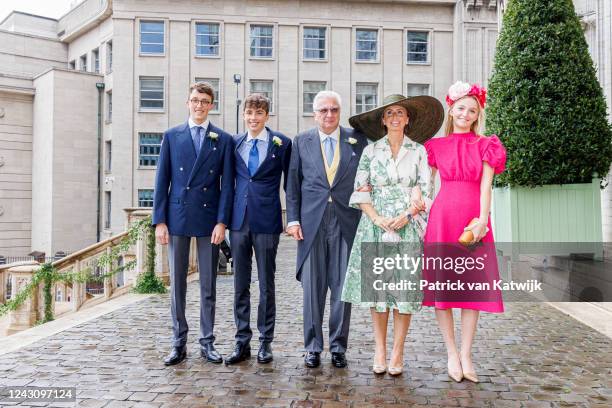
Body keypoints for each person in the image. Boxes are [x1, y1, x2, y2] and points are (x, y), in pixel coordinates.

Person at [342, 94, 443, 376]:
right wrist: (376, 218)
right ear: (383, 121)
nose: (395, 117)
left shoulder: (419, 151)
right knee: (378, 292)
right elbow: (360, 188)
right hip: (375, 225)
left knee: (404, 291)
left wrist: (407, 214)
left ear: (408, 119)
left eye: (400, 112)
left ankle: (398, 350)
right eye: (390, 114)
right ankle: (380, 349)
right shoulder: (371, 151)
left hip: (408, 226)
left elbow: (426, 188)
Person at [421, 81, 507, 383]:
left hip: (473, 220)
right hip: (442, 218)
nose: (466, 114)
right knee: (443, 288)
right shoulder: (434, 147)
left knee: (473, 289)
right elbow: (423, 185)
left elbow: (487, 187)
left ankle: (467, 353)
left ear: (477, 114)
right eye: (461, 108)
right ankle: (451, 353)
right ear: (451, 110)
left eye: (472, 110)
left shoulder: (486, 144)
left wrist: (483, 219)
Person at [152, 82, 234, 366]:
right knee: (177, 286)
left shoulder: (222, 139)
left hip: (209, 218)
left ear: (211, 105)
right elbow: (162, 180)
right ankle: (178, 343)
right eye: (195, 100)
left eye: (205, 101)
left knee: (208, 285)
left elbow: (227, 187)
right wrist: (159, 221)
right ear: (188, 103)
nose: (199, 105)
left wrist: (222, 221)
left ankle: (207, 343)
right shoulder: (172, 136)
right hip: (177, 217)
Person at [285, 90, 367, 368]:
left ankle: (338, 347)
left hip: (346, 220)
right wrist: (293, 219)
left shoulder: (357, 140)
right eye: (323, 110)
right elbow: (293, 184)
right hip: (311, 223)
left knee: (343, 288)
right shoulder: (301, 141)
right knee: (313, 287)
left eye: (333, 110)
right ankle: (312, 347)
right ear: (314, 113)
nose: (329, 115)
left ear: (340, 112)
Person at [225, 94, 292, 365]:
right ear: (243, 115)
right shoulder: (234, 143)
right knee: (240, 284)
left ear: (267, 116)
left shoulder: (282, 144)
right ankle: (242, 342)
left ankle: (266, 342)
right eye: (249, 113)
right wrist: (223, 220)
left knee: (266, 284)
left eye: (259, 113)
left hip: (267, 221)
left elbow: (291, 185)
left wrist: (294, 218)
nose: (253, 118)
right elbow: (228, 183)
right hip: (239, 222)